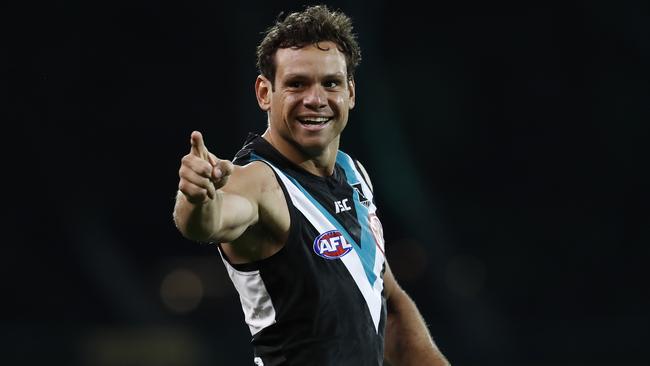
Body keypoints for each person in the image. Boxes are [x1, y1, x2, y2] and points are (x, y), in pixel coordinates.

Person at [173, 5, 450, 366]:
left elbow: (388, 304)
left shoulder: (353, 173)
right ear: (264, 93)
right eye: (297, 83)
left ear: (350, 92)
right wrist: (195, 198)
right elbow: (207, 221)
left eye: (330, 83)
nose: (315, 99)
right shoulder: (258, 180)